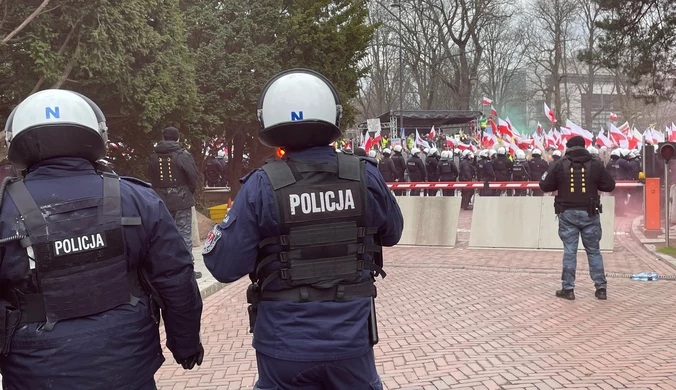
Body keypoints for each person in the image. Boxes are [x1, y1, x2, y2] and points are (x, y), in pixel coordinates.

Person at [202, 69, 403, 389]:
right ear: (331, 115)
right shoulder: (364, 176)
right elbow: (393, 232)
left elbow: (223, 265)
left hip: (284, 349)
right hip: (351, 346)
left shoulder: (261, 185)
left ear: (269, 120)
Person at [0, 89, 204, 389]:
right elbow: (175, 276)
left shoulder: (5, 209)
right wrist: (185, 343)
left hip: (35, 372)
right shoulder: (137, 198)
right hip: (128, 366)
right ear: (96, 135)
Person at [539, 136, 616, 301]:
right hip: (590, 213)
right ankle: (601, 288)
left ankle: (568, 289)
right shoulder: (595, 164)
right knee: (594, 251)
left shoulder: (560, 164)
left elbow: (544, 184)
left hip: (567, 213)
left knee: (569, 251)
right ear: (584, 146)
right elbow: (609, 185)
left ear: (568, 147)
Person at [148, 127, 202, 279]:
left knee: (165, 236)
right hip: (181, 200)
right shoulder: (182, 155)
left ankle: (168, 269)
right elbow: (193, 177)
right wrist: (187, 192)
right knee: (184, 235)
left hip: (161, 201)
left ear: (164, 138)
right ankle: (187, 270)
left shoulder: (154, 157)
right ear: (177, 138)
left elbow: (152, 179)